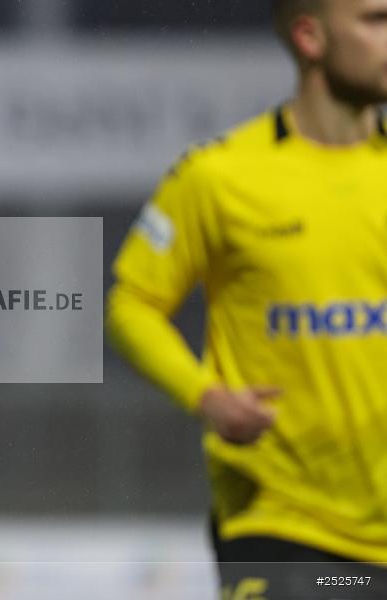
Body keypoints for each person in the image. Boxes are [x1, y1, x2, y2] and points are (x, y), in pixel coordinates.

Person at [106, 1, 387, 597]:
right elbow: (132, 303)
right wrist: (206, 395)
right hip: (285, 524)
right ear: (311, 37)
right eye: (376, 19)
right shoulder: (221, 177)